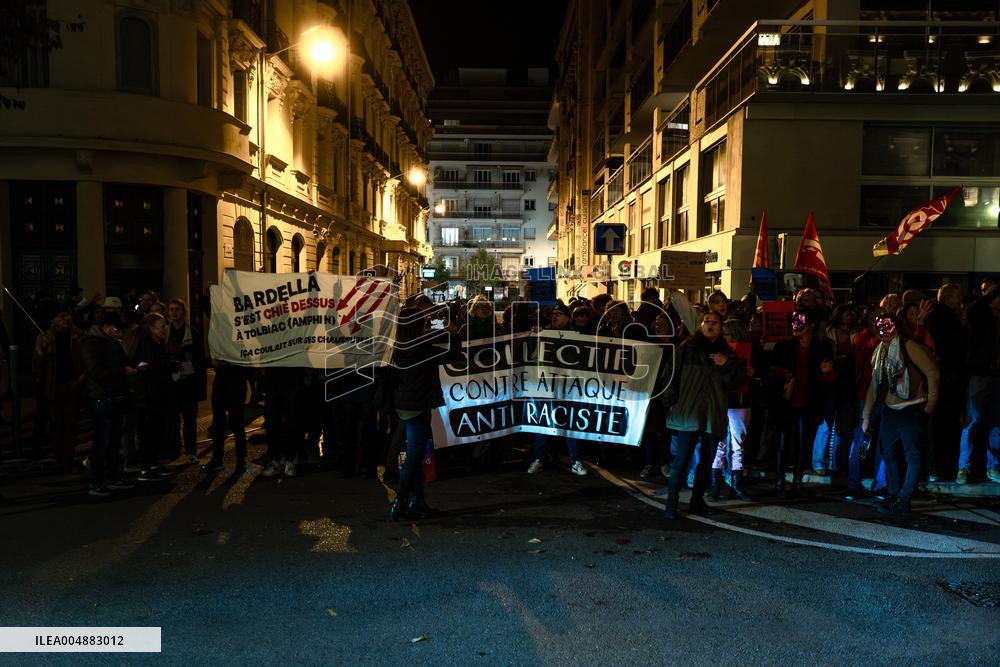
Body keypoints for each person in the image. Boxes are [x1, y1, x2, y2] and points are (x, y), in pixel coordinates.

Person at [662, 311, 747, 520]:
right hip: (688, 412)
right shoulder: (687, 348)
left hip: (712, 413)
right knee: (682, 458)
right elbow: (670, 374)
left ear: (721, 327)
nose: (710, 325)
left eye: (715, 322)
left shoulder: (726, 353)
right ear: (701, 325)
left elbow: (737, 382)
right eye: (707, 321)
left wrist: (726, 364)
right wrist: (671, 402)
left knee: (707, 460)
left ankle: (697, 500)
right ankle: (671, 503)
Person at [389, 306, 462, 521]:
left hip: (402, 404)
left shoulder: (397, 347)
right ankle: (401, 500)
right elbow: (453, 355)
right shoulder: (422, 349)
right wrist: (454, 334)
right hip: (418, 405)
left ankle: (417, 501)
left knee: (417, 452)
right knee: (414, 453)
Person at [863, 313, 940, 514]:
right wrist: (866, 415)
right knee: (887, 452)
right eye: (879, 327)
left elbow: (932, 372)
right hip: (890, 409)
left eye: (887, 327)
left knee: (912, 454)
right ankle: (894, 493)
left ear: (896, 327)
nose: (883, 331)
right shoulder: (880, 351)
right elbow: (874, 384)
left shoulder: (909, 346)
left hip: (912, 407)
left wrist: (930, 404)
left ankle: (904, 498)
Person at [770, 310, 836, 496]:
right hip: (786, 401)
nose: (796, 325)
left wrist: (825, 372)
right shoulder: (784, 346)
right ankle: (780, 482)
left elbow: (830, 376)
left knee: (804, 443)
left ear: (812, 325)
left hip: (810, 401)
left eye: (801, 321)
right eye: (794, 321)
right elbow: (772, 369)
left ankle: (797, 482)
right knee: (782, 443)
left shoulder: (821, 347)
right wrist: (782, 374)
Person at [80, 311, 136, 496]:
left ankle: (112, 477)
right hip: (102, 397)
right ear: (106, 327)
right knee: (102, 441)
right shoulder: (92, 343)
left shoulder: (114, 343)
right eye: (116, 328)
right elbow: (96, 372)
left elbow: (123, 362)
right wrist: (122, 371)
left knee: (113, 441)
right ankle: (97, 481)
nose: (118, 332)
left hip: (117, 396)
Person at [957, 285, 1000, 484]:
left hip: (994, 373)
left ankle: (993, 466)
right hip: (980, 372)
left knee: (996, 422)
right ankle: (964, 467)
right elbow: (973, 311)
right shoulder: (981, 315)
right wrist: (988, 295)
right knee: (973, 420)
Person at [709, 318, 756, 501]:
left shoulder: (749, 351)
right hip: (722, 401)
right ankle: (715, 486)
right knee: (719, 444)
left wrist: (752, 373)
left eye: (726, 334)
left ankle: (735, 485)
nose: (723, 337)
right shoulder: (716, 351)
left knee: (737, 445)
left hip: (739, 402)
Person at [33, 309, 85, 471]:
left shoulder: (77, 335)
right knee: (55, 424)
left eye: (68, 316)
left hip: (71, 383)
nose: (66, 319)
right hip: (52, 385)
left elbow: (85, 358)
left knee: (70, 423)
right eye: (61, 317)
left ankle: (68, 458)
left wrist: (80, 379)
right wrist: (42, 350)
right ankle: (58, 457)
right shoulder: (45, 336)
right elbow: (35, 364)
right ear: (54, 320)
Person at [925, 284, 966, 481]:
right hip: (948, 376)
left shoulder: (939, 316)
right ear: (948, 298)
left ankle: (940, 466)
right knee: (945, 424)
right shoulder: (944, 317)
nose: (960, 300)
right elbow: (948, 347)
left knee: (943, 423)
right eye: (957, 296)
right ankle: (942, 466)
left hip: (947, 374)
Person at [165, 299, 207, 464]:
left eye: (177, 309)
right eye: (171, 309)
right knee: (172, 420)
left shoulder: (193, 333)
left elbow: (200, 362)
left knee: (189, 421)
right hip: (171, 385)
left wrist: (200, 388)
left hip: (189, 385)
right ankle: (174, 450)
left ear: (184, 312)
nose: (174, 312)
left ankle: (190, 451)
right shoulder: (165, 332)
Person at [132, 313, 173, 480]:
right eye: (161, 326)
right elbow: (153, 367)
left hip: (157, 394)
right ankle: (145, 467)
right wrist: (169, 365)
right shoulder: (147, 345)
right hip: (149, 396)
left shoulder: (158, 344)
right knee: (148, 433)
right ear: (152, 328)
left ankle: (154, 463)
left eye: (165, 326)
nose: (165, 329)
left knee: (156, 431)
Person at [204, 360, 251, 473]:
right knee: (230, 423)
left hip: (228, 380)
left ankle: (222, 460)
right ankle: (239, 461)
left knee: (225, 422)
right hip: (234, 381)